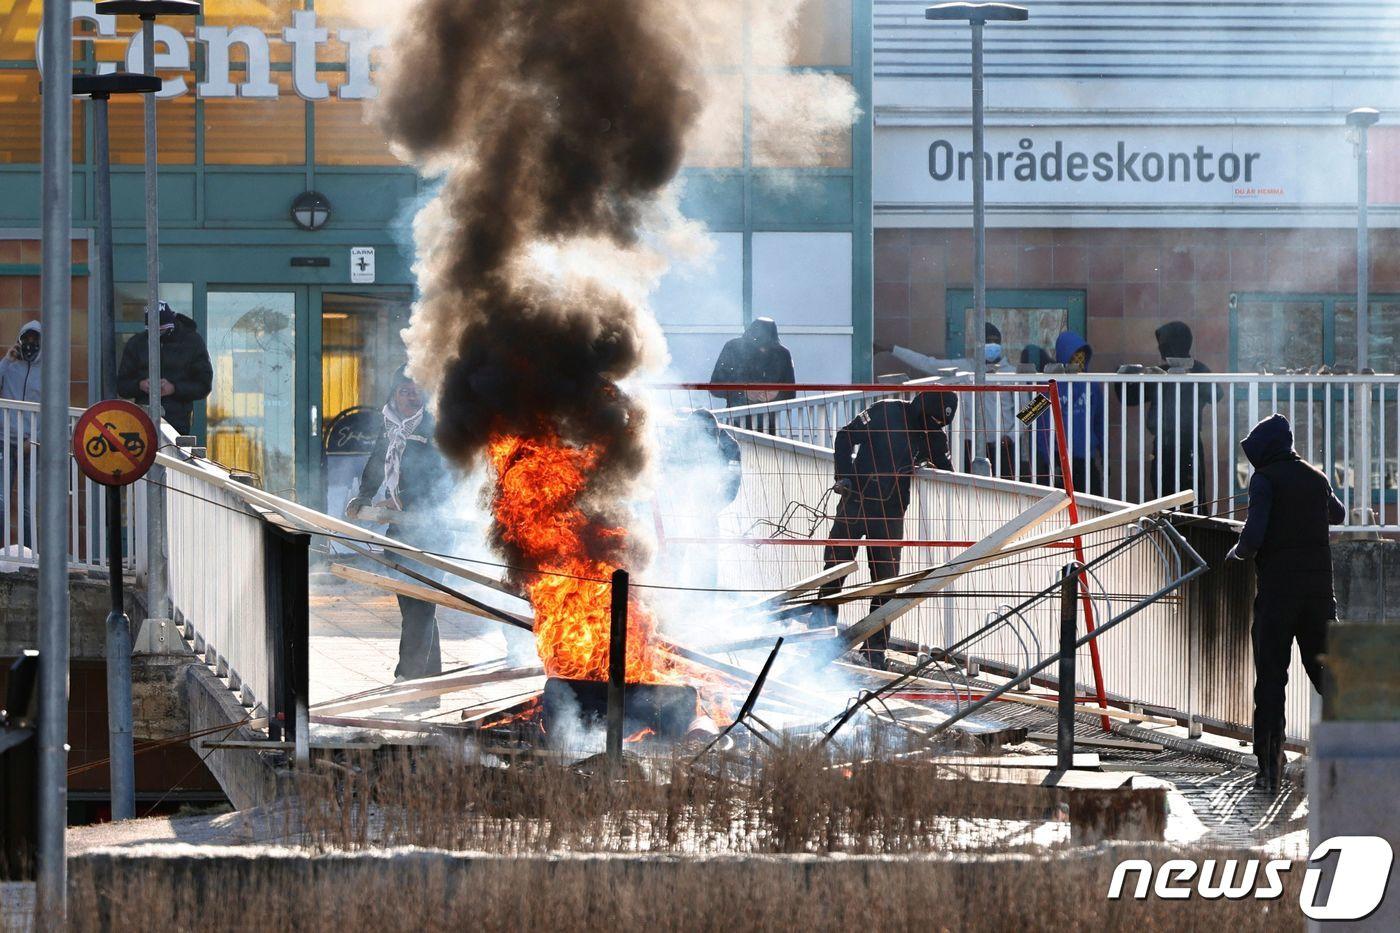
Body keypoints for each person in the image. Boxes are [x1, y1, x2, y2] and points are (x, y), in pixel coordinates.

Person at [1227, 414, 1344, 794]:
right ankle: (1352, 759)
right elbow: (1338, 514)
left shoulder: (1264, 480)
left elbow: (1253, 536)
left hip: (1277, 596)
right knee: (1329, 677)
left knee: (1272, 680)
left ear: (1264, 450)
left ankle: (1270, 770)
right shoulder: (1316, 477)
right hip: (1318, 596)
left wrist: (1237, 552)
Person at [817, 390, 958, 669]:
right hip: (855, 501)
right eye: (932, 421)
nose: (933, 427)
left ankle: (874, 650)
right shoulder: (885, 410)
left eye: (939, 424)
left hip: (891, 512)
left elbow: (948, 471)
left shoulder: (935, 436)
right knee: (834, 569)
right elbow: (845, 437)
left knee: (886, 582)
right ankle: (819, 637)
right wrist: (843, 476)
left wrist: (937, 468)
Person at [347, 370, 452, 681]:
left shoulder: (436, 426)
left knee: (421, 603)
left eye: (416, 390)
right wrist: (364, 495)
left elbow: (445, 477)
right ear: (394, 395)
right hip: (402, 531)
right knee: (414, 604)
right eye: (404, 390)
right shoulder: (390, 425)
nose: (411, 396)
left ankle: (407, 676)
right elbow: (378, 461)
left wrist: (404, 499)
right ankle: (429, 677)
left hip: (432, 531)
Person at [1116, 321, 1220, 501]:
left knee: (1193, 498)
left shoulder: (1198, 370)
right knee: (1163, 496)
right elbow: (1130, 398)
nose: (1161, 350)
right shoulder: (1160, 373)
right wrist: (1121, 377)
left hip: (1189, 443)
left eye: (1164, 345)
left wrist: (1192, 379)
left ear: (1176, 344)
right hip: (1163, 444)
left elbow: (1217, 394)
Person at [117, 300, 214, 436]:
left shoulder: (192, 343)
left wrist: (174, 388)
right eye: (153, 332)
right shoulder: (136, 344)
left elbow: (203, 385)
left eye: (162, 331)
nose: (158, 335)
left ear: (171, 325)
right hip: (143, 422)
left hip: (177, 423)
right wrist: (140, 385)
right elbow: (122, 385)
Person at [1035, 331, 1107, 496]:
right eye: (1074, 355)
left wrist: (1104, 454)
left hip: (1084, 458)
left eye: (1081, 355)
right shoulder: (1046, 385)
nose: (1078, 360)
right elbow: (1029, 419)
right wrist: (1046, 458)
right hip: (1056, 458)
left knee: (1090, 505)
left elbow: (1100, 422)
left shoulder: (1092, 385)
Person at [0, 321, 41, 548]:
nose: (30, 344)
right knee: (1, 500)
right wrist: (6, 361)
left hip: (29, 444)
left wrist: (35, 440)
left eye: (35, 340)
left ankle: (29, 554)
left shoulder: (48, 371)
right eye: (27, 339)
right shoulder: (10, 365)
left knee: (27, 504)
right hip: (4, 440)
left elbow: (52, 410)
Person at [959, 323, 1018, 477]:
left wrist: (1012, 436)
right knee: (971, 488)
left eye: (996, 342)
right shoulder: (965, 369)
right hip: (970, 444)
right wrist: (897, 348)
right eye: (988, 342)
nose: (992, 346)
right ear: (978, 345)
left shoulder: (1013, 374)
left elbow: (1032, 408)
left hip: (1003, 445)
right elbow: (927, 363)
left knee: (1005, 489)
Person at [709, 317, 796, 407]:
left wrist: (776, 394)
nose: (763, 351)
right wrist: (743, 391)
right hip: (737, 412)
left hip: (768, 414)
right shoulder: (733, 348)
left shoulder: (782, 354)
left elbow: (791, 393)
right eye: (758, 348)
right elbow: (715, 387)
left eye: (767, 347)